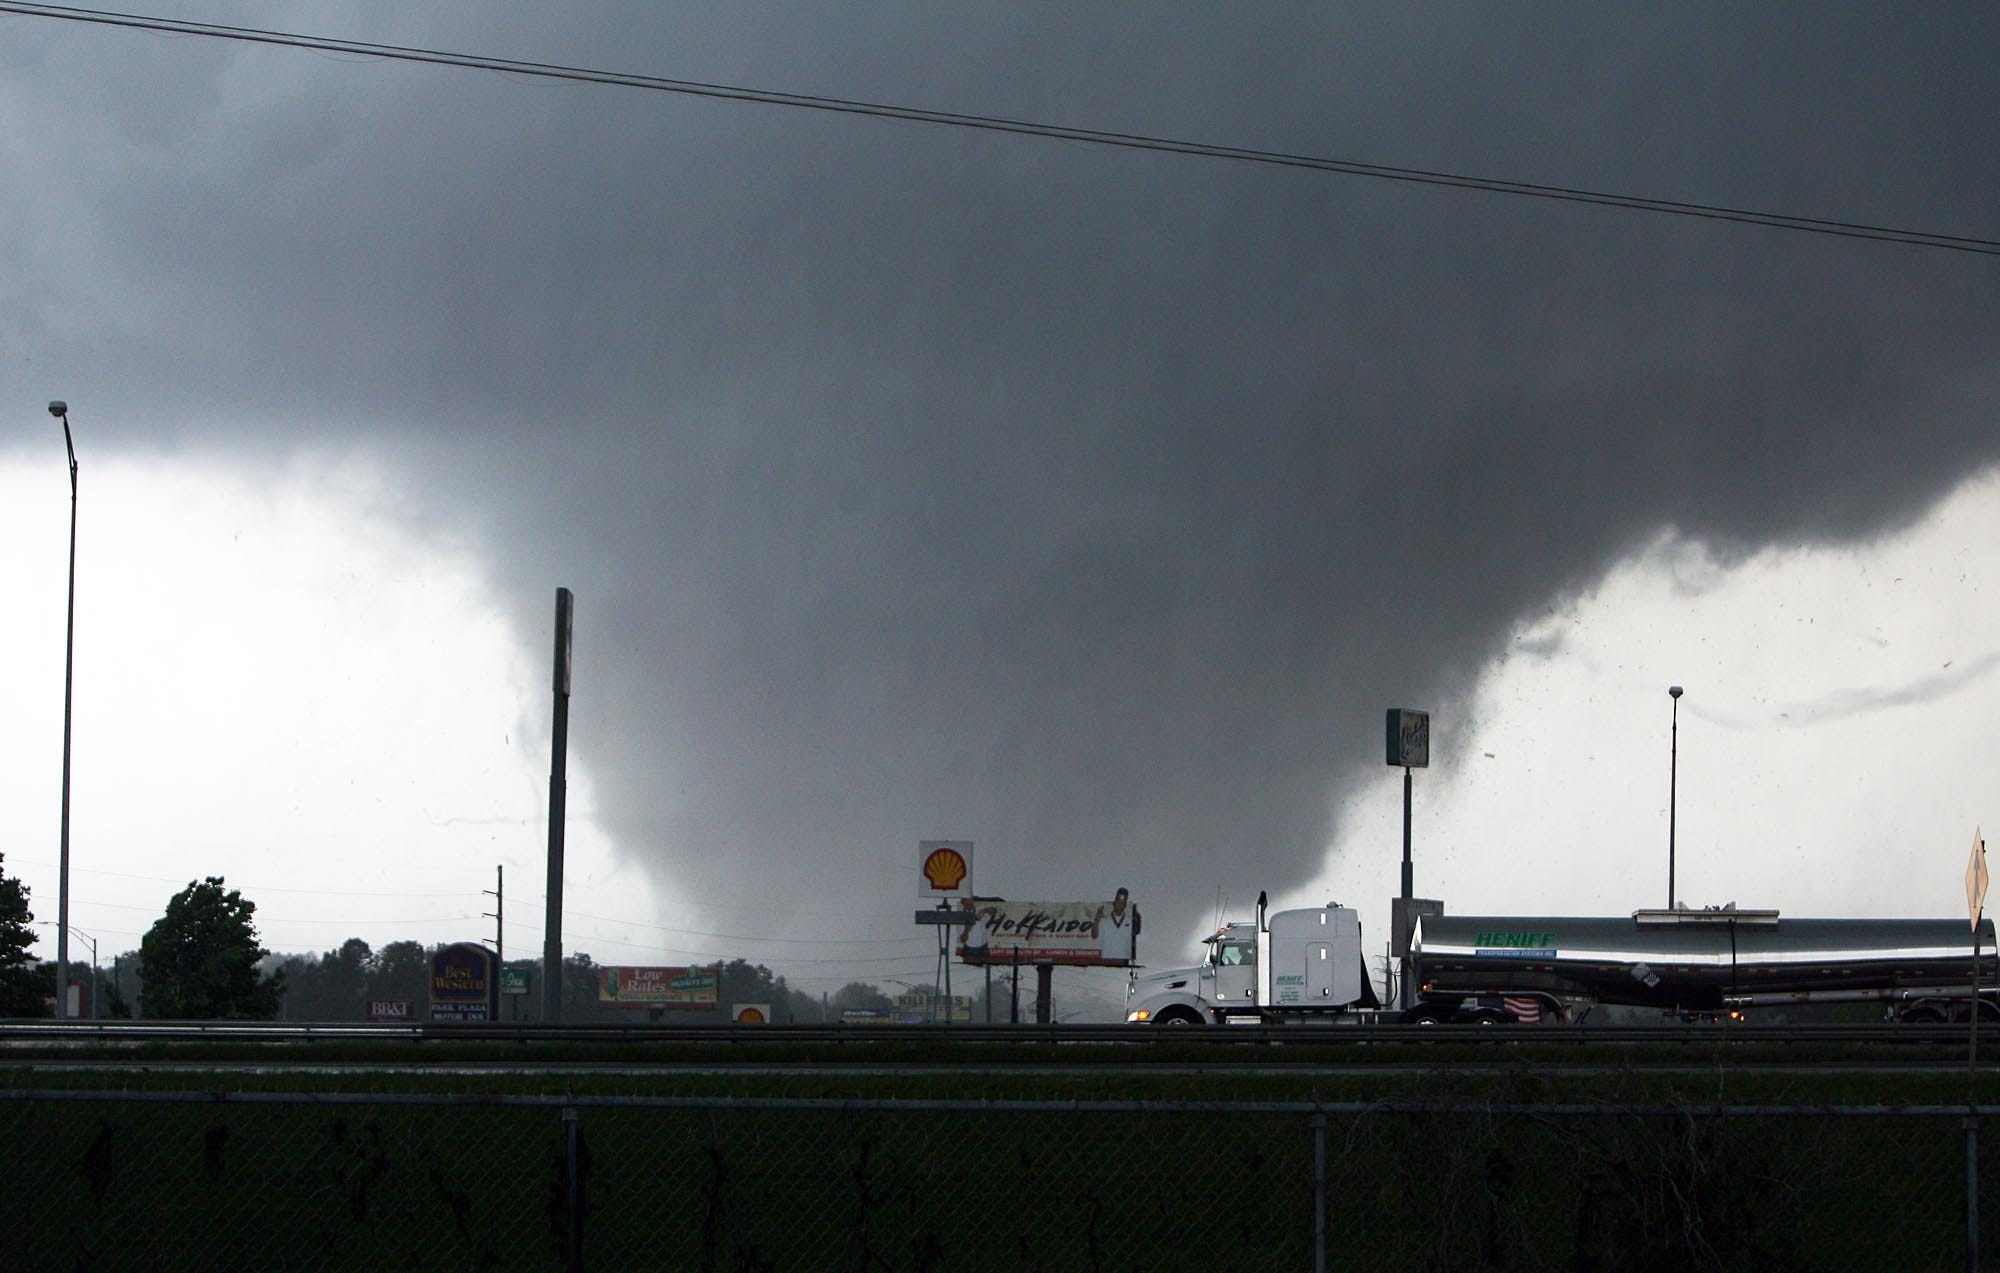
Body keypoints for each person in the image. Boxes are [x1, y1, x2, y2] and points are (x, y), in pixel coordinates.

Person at [1094, 888, 1140, 964]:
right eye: (1118, 902)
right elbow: (1095, 936)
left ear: (1125, 905)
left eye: (1122, 903)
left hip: (1124, 956)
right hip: (1107, 956)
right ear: (1114, 903)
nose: (1119, 905)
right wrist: (1096, 921)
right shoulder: (1105, 920)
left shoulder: (1130, 920)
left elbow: (1136, 931)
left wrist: (1136, 917)